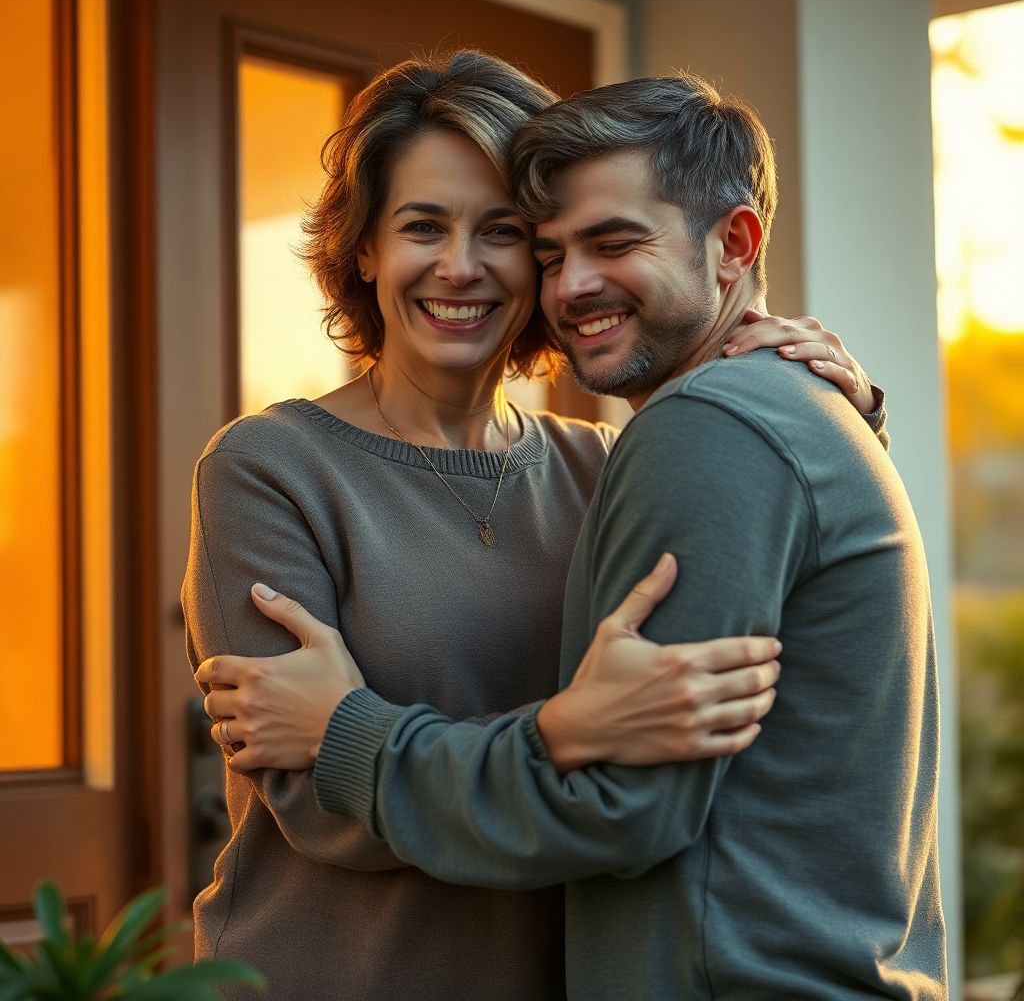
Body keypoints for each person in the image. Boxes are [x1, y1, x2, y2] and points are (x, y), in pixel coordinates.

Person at [199, 69, 945, 1000]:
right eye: (423, 226)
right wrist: (565, 732)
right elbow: (318, 801)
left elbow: (780, 567)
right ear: (362, 251)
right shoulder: (269, 469)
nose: (461, 266)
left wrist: (837, 414)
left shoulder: (610, 464)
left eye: (505, 234)